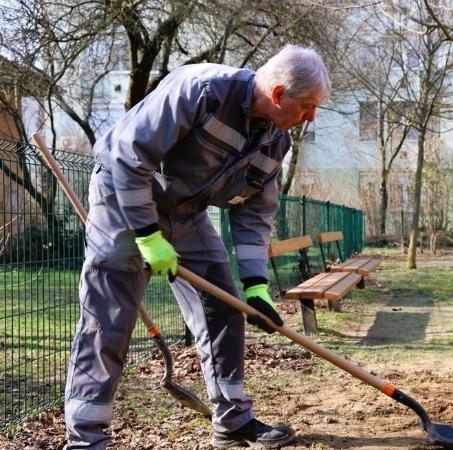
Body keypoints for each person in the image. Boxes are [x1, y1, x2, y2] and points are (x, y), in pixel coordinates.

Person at [63, 45, 330, 449]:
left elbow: (254, 211)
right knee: (109, 317)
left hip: (186, 211)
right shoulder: (201, 90)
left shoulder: (276, 142)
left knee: (223, 305)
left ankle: (233, 420)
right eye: (308, 106)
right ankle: (85, 439)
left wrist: (256, 285)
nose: (311, 116)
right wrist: (148, 236)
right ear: (278, 95)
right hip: (123, 197)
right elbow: (129, 158)